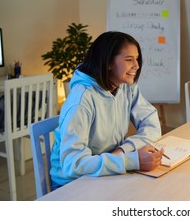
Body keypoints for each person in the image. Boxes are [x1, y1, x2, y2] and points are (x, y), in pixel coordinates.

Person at [50, 31, 164, 189]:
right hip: (73, 184)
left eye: (137, 59)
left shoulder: (125, 87)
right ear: (107, 62)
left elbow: (152, 125)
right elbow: (72, 164)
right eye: (129, 59)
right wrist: (132, 160)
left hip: (106, 171)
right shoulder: (82, 100)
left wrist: (122, 151)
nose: (137, 66)